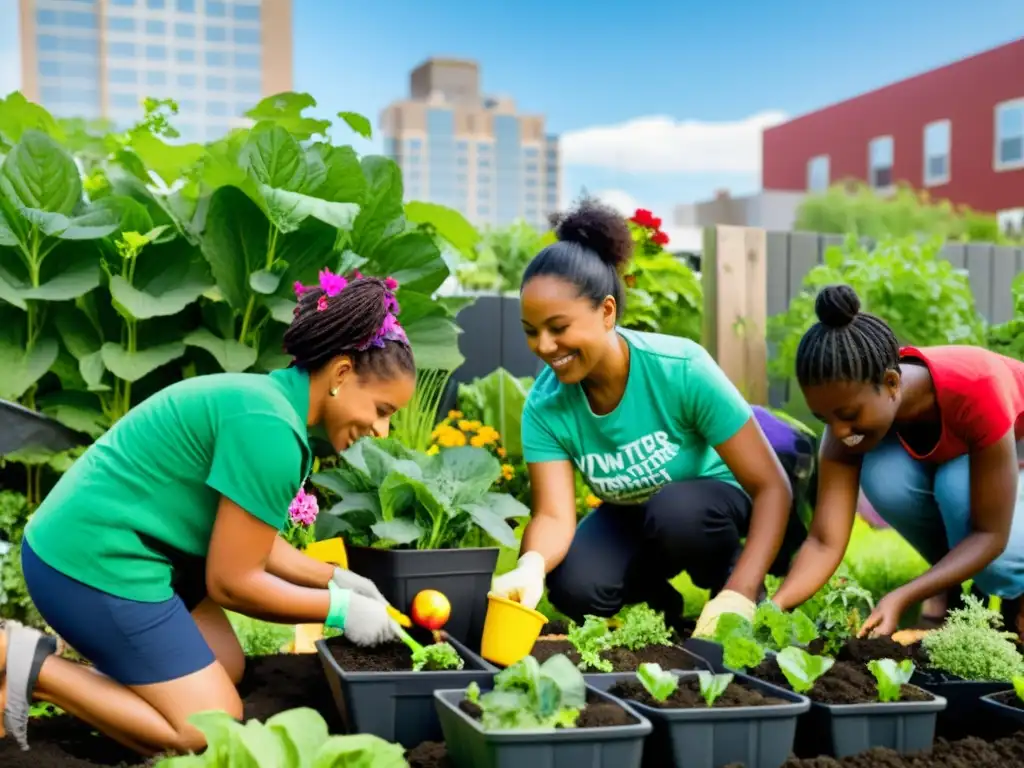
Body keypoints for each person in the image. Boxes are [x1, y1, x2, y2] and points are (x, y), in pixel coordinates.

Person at [0, 271, 415, 756]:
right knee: (208, 727)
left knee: (225, 666)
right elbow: (233, 582)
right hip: (90, 563)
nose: (382, 430)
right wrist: (340, 611)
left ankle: (118, 685)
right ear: (342, 375)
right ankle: (30, 663)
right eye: (383, 410)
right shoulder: (269, 429)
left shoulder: (269, 405)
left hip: (126, 550)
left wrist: (335, 579)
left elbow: (253, 537)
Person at [490, 199, 811, 637]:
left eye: (558, 327)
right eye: (531, 331)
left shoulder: (680, 368)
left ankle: (732, 587)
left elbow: (771, 486)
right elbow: (553, 516)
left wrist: (740, 589)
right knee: (574, 585)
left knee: (677, 511)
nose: (545, 346)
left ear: (606, 312)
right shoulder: (546, 406)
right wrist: (531, 567)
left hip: (712, 501)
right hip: (633, 511)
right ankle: (664, 604)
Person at [769, 284, 1024, 638]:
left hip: (1015, 461)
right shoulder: (849, 413)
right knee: (884, 475)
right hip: (966, 465)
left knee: (959, 492)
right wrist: (773, 609)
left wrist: (902, 596)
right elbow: (825, 541)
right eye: (826, 418)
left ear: (891, 383)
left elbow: (990, 535)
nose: (840, 432)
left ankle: (1016, 600)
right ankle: (949, 581)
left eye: (848, 415)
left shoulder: (978, 388)